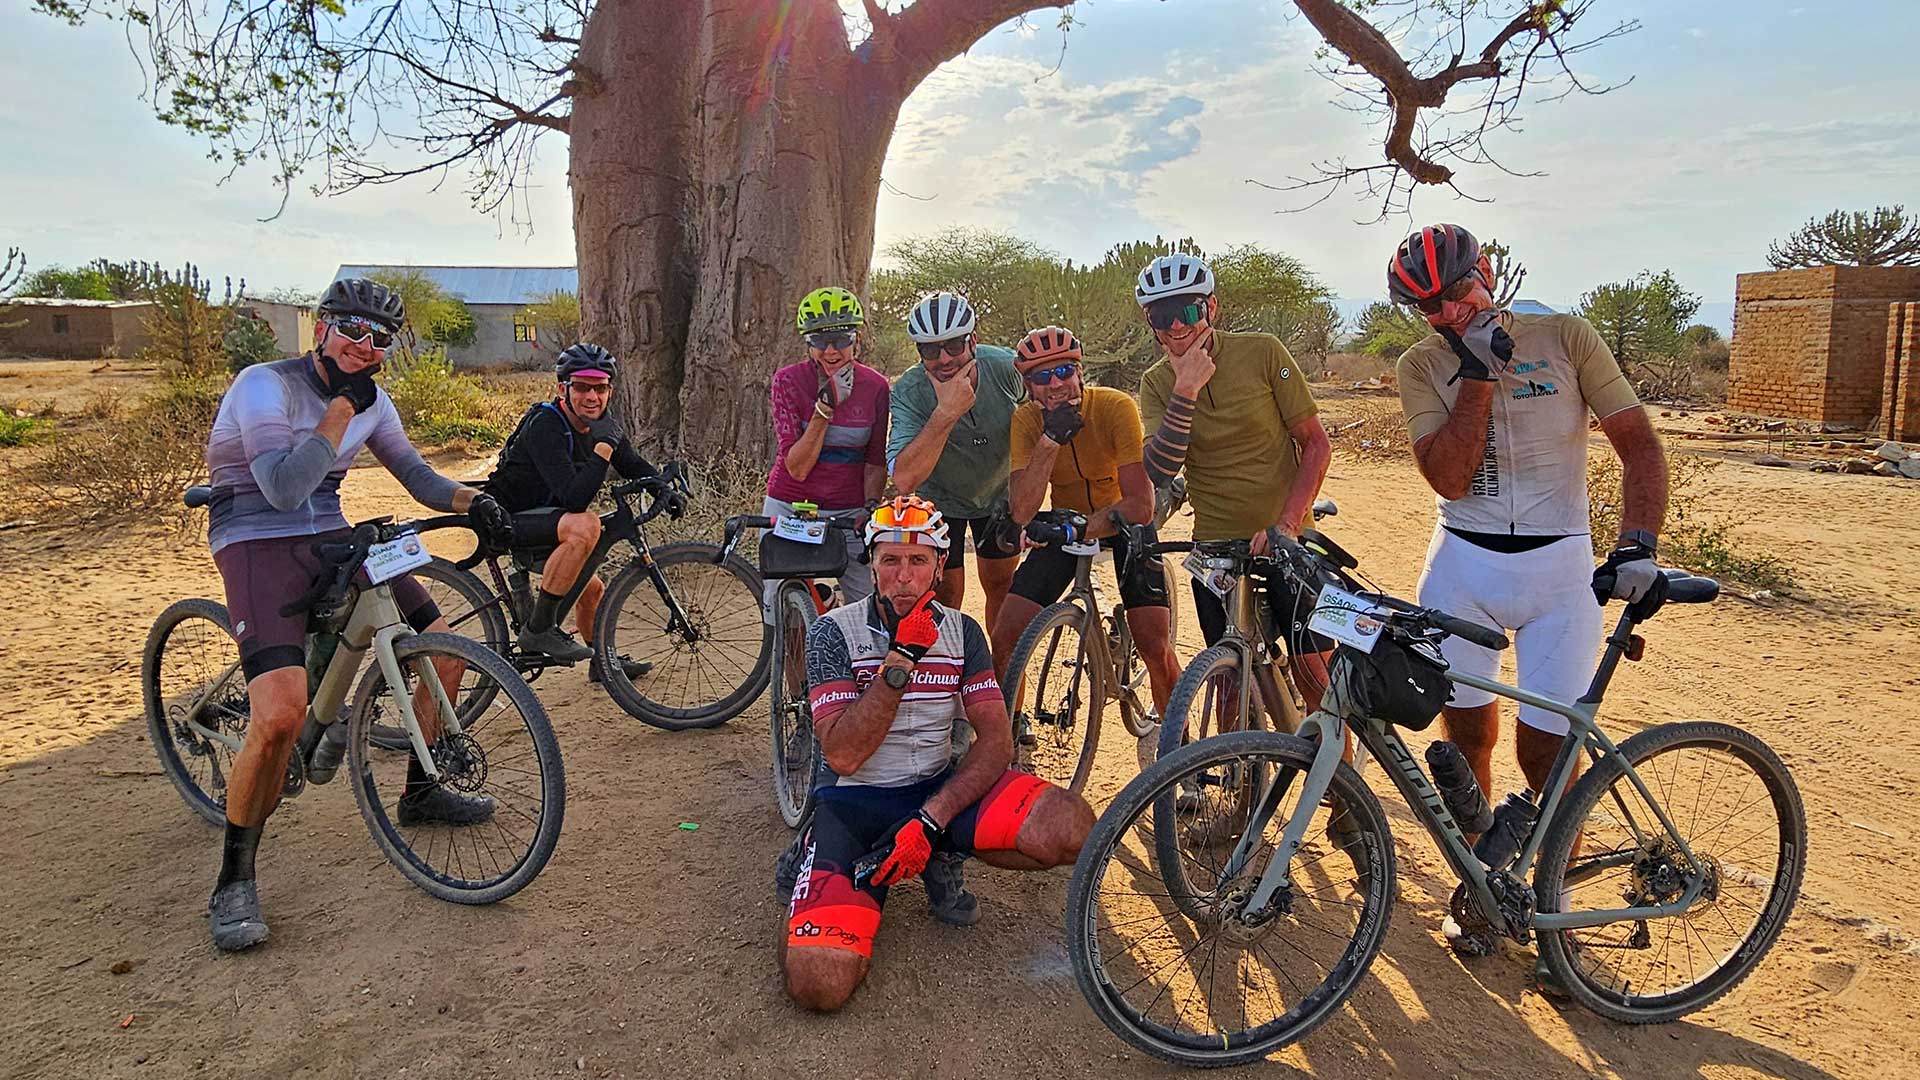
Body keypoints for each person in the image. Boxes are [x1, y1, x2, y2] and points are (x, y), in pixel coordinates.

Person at [201, 277, 513, 951]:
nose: (366, 346)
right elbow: (284, 489)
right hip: (255, 534)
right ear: (322, 329)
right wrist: (340, 409)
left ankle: (421, 792)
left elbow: (418, 477)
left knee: (443, 649)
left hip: (330, 529)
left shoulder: (376, 401)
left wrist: (474, 502)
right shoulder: (264, 386)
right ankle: (234, 878)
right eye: (352, 329)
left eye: (380, 338)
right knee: (278, 716)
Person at [1388, 223, 1669, 957]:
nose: (1450, 312)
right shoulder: (1422, 365)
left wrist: (1638, 544)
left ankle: (1557, 907)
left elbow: (1639, 445)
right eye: (1430, 307)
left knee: (1545, 752)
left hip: (1559, 569)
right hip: (1462, 566)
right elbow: (1449, 478)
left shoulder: (1564, 337)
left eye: (1458, 290)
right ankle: (1481, 888)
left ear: (1486, 270)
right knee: (1466, 740)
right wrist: (1478, 373)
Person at [781, 495, 1094, 1012]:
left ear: (939, 566)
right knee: (819, 983)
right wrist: (901, 659)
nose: (904, 577)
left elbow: (996, 740)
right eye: (890, 560)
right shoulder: (832, 632)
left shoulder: (963, 632)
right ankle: (822, 858)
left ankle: (938, 853)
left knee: (1072, 826)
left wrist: (931, 821)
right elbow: (843, 755)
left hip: (935, 792)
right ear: (871, 564)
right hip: (854, 804)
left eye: (918, 560)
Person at [1136, 253, 1335, 710]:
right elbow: (1161, 469)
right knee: (1228, 687)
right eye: (1162, 316)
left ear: (1211, 308)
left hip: (1285, 538)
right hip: (1215, 546)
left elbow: (1315, 444)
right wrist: (1185, 388)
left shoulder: (1262, 351)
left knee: (1315, 679)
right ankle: (1237, 759)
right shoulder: (1157, 382)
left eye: (1188, 310)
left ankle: (1330, 759)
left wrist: (1287, 526)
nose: (1177, 326)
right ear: (1151, 323)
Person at [991, 325, 1181, 719]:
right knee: (1005, 638)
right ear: (1028, 386)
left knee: (1154, 646)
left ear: (1080, 372)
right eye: (1042, 377)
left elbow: (1141, 506)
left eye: (1064, 371)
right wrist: (1049, 440)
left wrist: (1080, 529)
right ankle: (1006, 733)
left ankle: (1177, 740)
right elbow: (1022, 511)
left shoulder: (1114, 407)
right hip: (1067, 522)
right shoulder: (1026, 421)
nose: (1055, 384)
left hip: (1123, 519)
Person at [483, 342, 673, 680]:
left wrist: (662, 487)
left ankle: (602, 662)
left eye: (600, 388)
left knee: (592, 589)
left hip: (547, 520)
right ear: (563, 389)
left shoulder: (601, 422)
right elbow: (574, 499)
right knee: (586, 525)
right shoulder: (546, 424)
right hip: (509, 520)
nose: (592, 397)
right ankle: (539, 629)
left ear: (610, 391)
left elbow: (631, 464)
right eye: (582, 387)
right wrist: (603, 447)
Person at [886, 291, 1024, 631]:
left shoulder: (1005, 368)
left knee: (1001, 586)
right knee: (944, 595)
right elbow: (904, 478)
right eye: (931, 350)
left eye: (953, 345)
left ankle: (1001, 664)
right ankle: (949, 663)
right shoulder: (909, 391)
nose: (944, 359)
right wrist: (946, 412)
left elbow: (1040, 408)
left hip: (998, 494)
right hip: (940, 498)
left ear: (973, 341)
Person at [764, 287, 890, 609]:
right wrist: (824, 408)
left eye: (841, 339)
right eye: (819, 341)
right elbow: (797, 468)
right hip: (790, 505)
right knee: (777, 603)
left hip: (848, 510)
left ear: (857, 340)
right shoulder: (787, 381)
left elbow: (875, 458)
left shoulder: (876, 386)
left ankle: (831, 607)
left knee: (870, 606)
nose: (831, 351)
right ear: (808, 344)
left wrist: (871, 506)